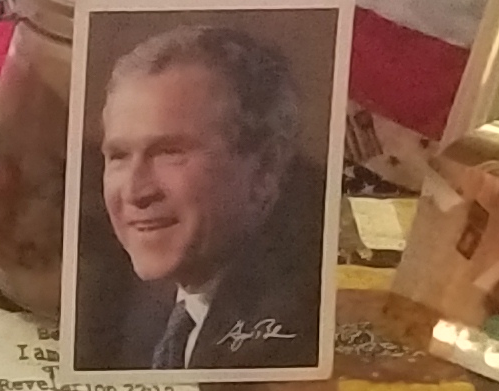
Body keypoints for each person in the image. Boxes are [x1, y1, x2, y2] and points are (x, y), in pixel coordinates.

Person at [71, 24, 326, 373]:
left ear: (265, 167)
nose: (134, 191)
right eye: (118, 156)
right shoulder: (115, 297)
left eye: (169, 152)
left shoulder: (305, 314)